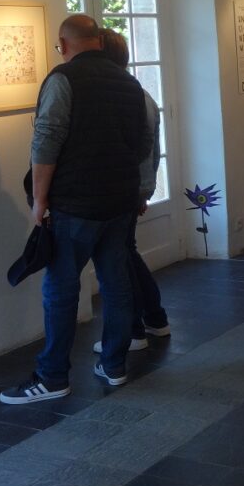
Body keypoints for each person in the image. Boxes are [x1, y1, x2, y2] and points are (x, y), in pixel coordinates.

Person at [0, 15, 151, 404]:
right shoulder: (130, 83)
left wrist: (40, 200)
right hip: (118, 201)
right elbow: (140, 144)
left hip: (75, 203)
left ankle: (52, 377)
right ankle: (114, 364)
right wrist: (135, 192)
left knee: (61, 290)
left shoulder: (63, 79)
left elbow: (46, 141)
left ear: (64, 45)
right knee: (116, 284)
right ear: (98, 40)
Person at [91, 29, 170, 357]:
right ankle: (153, 317)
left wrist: (138, 189)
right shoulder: (138, 92)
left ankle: (135, 329)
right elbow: (150, 150)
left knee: (119, 260)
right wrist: (145, 187)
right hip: (134, 186)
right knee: (127, 253)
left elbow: (140, 149)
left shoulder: (127, 95)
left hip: (124, 189)